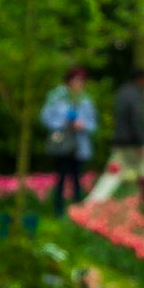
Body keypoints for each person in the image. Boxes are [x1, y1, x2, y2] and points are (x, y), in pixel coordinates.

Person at [41, 66, 98, 215]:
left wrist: (82, 125)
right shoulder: (56, 97)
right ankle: (58, 211)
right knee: (61, 178)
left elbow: (93, 125)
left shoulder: (86, 100)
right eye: (76, 80)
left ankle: (78, 212)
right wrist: (64, 123)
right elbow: (46, 118)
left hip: (79, 146)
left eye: (81, 80)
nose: (78, 83)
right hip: (62, 144)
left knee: (77, 179)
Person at [110, 68, 144, 176]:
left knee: (112, 174)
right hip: (133, 142)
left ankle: (98, 193)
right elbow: (136, 118)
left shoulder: (122, 92)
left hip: (120, 140)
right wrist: (140, 142)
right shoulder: (136, 95)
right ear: (140, 79)